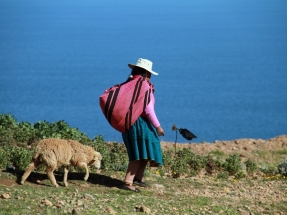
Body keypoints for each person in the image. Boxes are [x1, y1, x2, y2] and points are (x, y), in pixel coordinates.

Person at [122, 58, 164, 193]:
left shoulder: (130, 84)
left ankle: (138, 178)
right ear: (146, 73)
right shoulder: (144, 87)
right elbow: (148, 109)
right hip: (139, 124)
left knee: (143, 149)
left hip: (129, 123)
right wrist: (158, 126)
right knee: (139, 151)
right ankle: (128, 182)